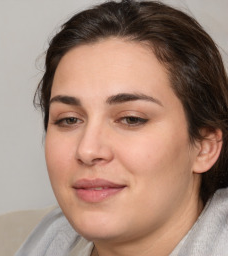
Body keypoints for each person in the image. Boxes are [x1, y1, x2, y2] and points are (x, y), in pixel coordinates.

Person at [15, 0, 228, 255]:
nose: (88, 150)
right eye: (69, 119)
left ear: (204, 147)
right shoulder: (49, 239)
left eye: (131, 119)